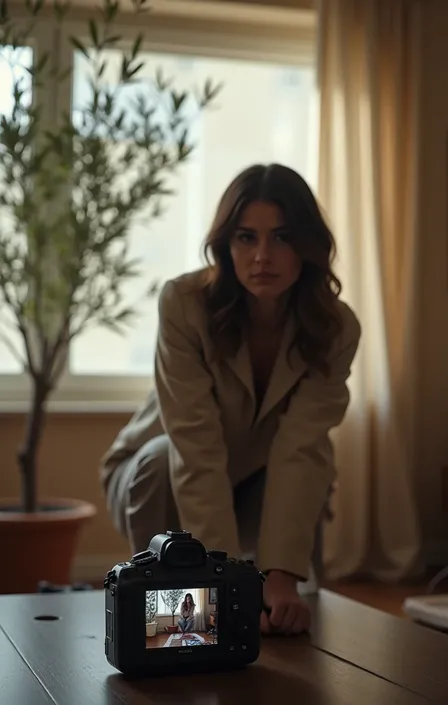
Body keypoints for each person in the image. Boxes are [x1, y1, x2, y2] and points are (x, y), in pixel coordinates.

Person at [100, 163, 361, 637]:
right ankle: (164, 613)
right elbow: (194, 450)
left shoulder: (336, 328)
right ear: (225, 244)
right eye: (246, 238)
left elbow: (299, 448)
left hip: (257, 478)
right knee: (161, 461)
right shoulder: (183, 303)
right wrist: (223, 588)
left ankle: (284, 598)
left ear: (307, 244)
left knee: (317, 457)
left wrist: (280, 579)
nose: (263, 255)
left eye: (282, 237)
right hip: (159, 474)